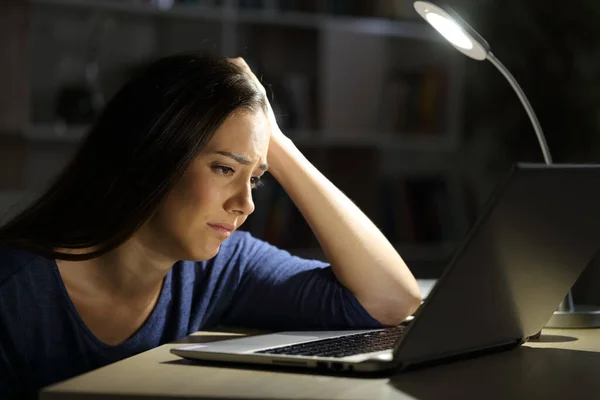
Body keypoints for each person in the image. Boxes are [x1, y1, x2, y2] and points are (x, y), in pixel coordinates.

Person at [0, 53, 421, 398]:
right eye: (223, 169)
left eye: (255, 179)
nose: (246, 204)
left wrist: (274, 139)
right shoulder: (13, 292)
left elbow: (390, 300)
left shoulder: (220, 266)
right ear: (151, 156)